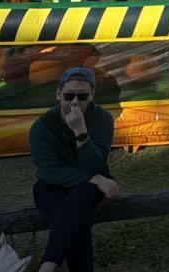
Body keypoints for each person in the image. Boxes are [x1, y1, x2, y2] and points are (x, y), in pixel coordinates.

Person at [29, 67, 119, 272]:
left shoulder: (103, 119)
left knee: (81, 197)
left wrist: (81, 132)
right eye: (69, 96)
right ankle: (53, 264)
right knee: (78, 212)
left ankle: (48, 264)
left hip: (90, 183)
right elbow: (49, 171)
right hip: (52, 185)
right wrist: (94, 179)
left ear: (92, 95)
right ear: (59, 95)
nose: (75, 102)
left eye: (82, 96)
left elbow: (96, 164)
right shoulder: (42, 126)